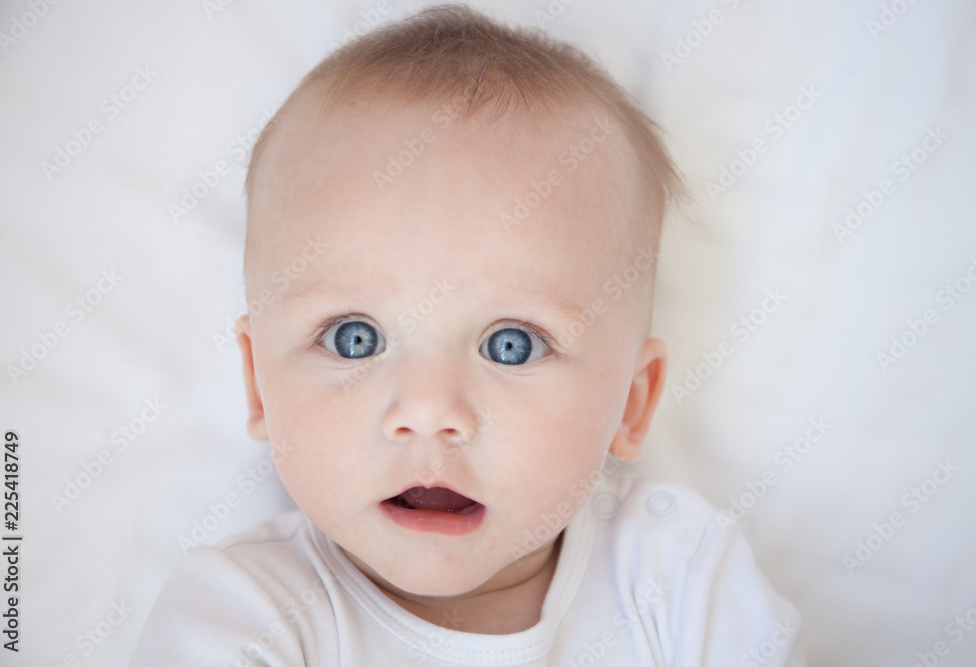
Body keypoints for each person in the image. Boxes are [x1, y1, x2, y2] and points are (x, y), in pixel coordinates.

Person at [130, 4, 803, 664]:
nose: (429, 410)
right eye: (353, 339)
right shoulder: (247, 611)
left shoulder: (677, 574)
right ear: (257, 386)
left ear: (630, 403)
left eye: (512, 344)